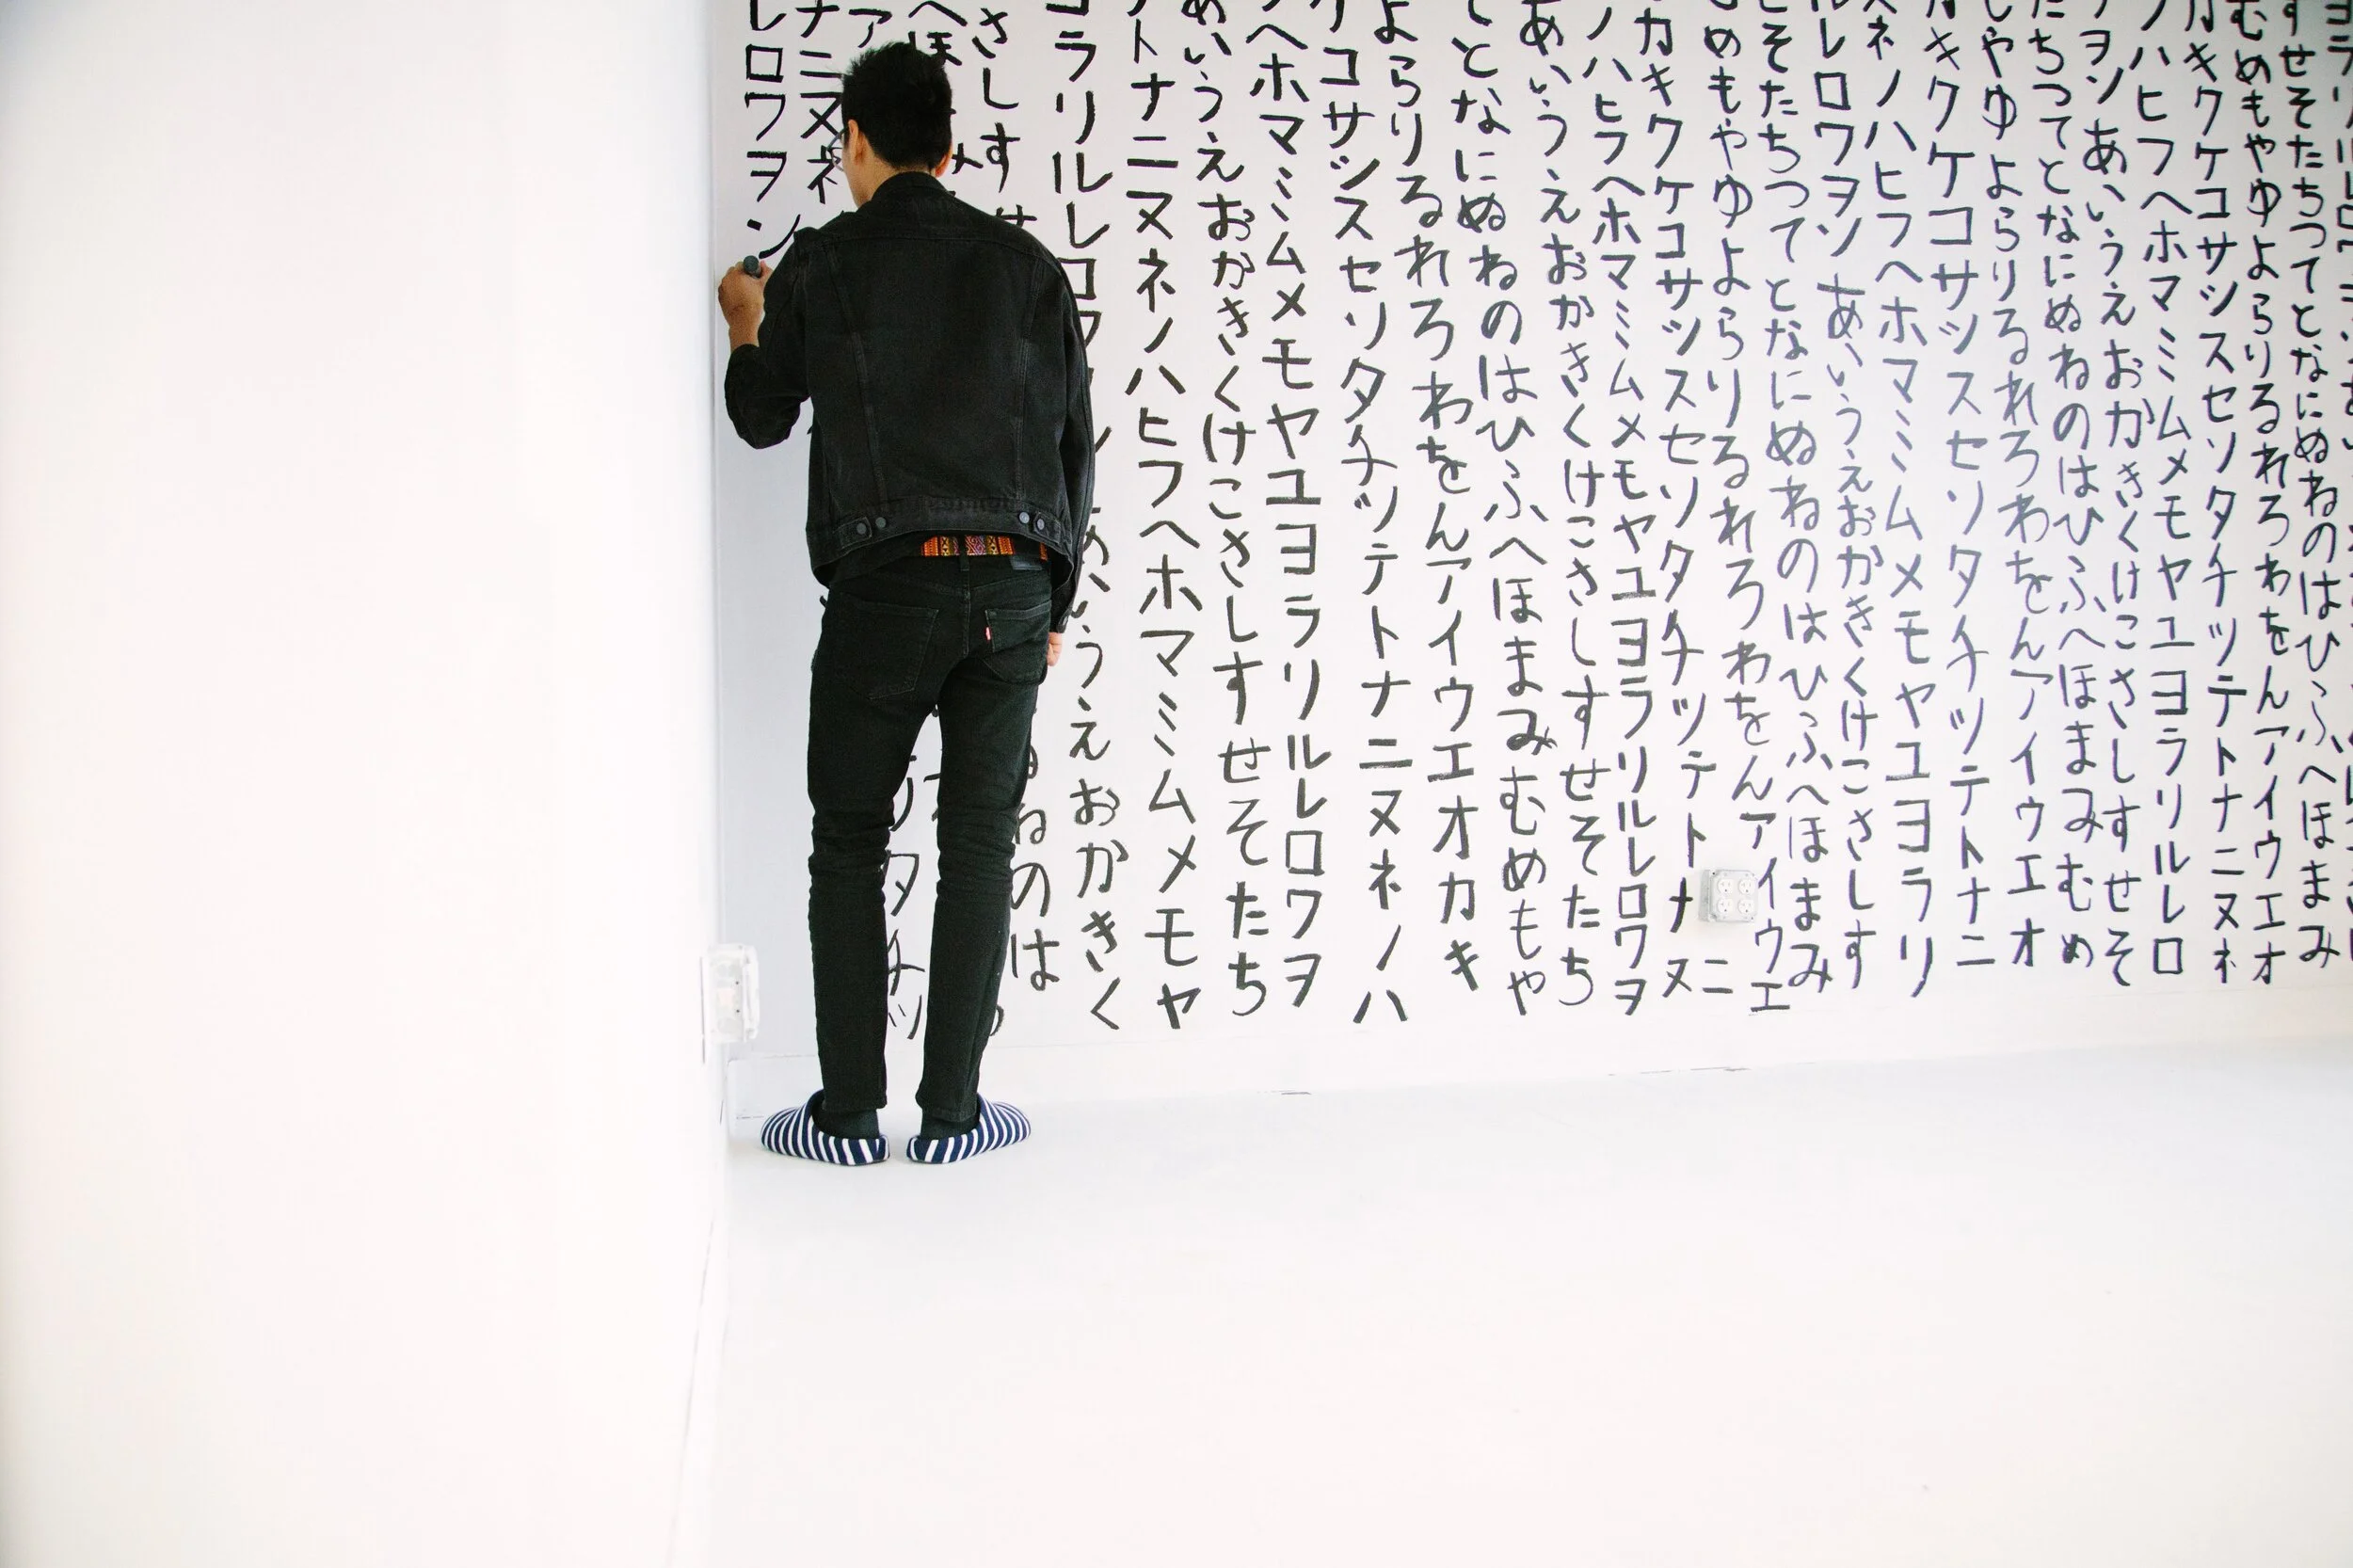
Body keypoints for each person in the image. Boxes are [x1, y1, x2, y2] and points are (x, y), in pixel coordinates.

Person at [716, 41, 1094, 1167]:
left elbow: (760, 416)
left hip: (887, 587)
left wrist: (744, 316)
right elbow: (1073, 447)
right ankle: (953, 1117)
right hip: (1014, 587)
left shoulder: (826, 264)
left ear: (856, 141)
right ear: (950, 148)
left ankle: (845, 1117)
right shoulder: (1028, 267)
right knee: (978, 843)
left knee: (848, 840)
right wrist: (1054, 600)